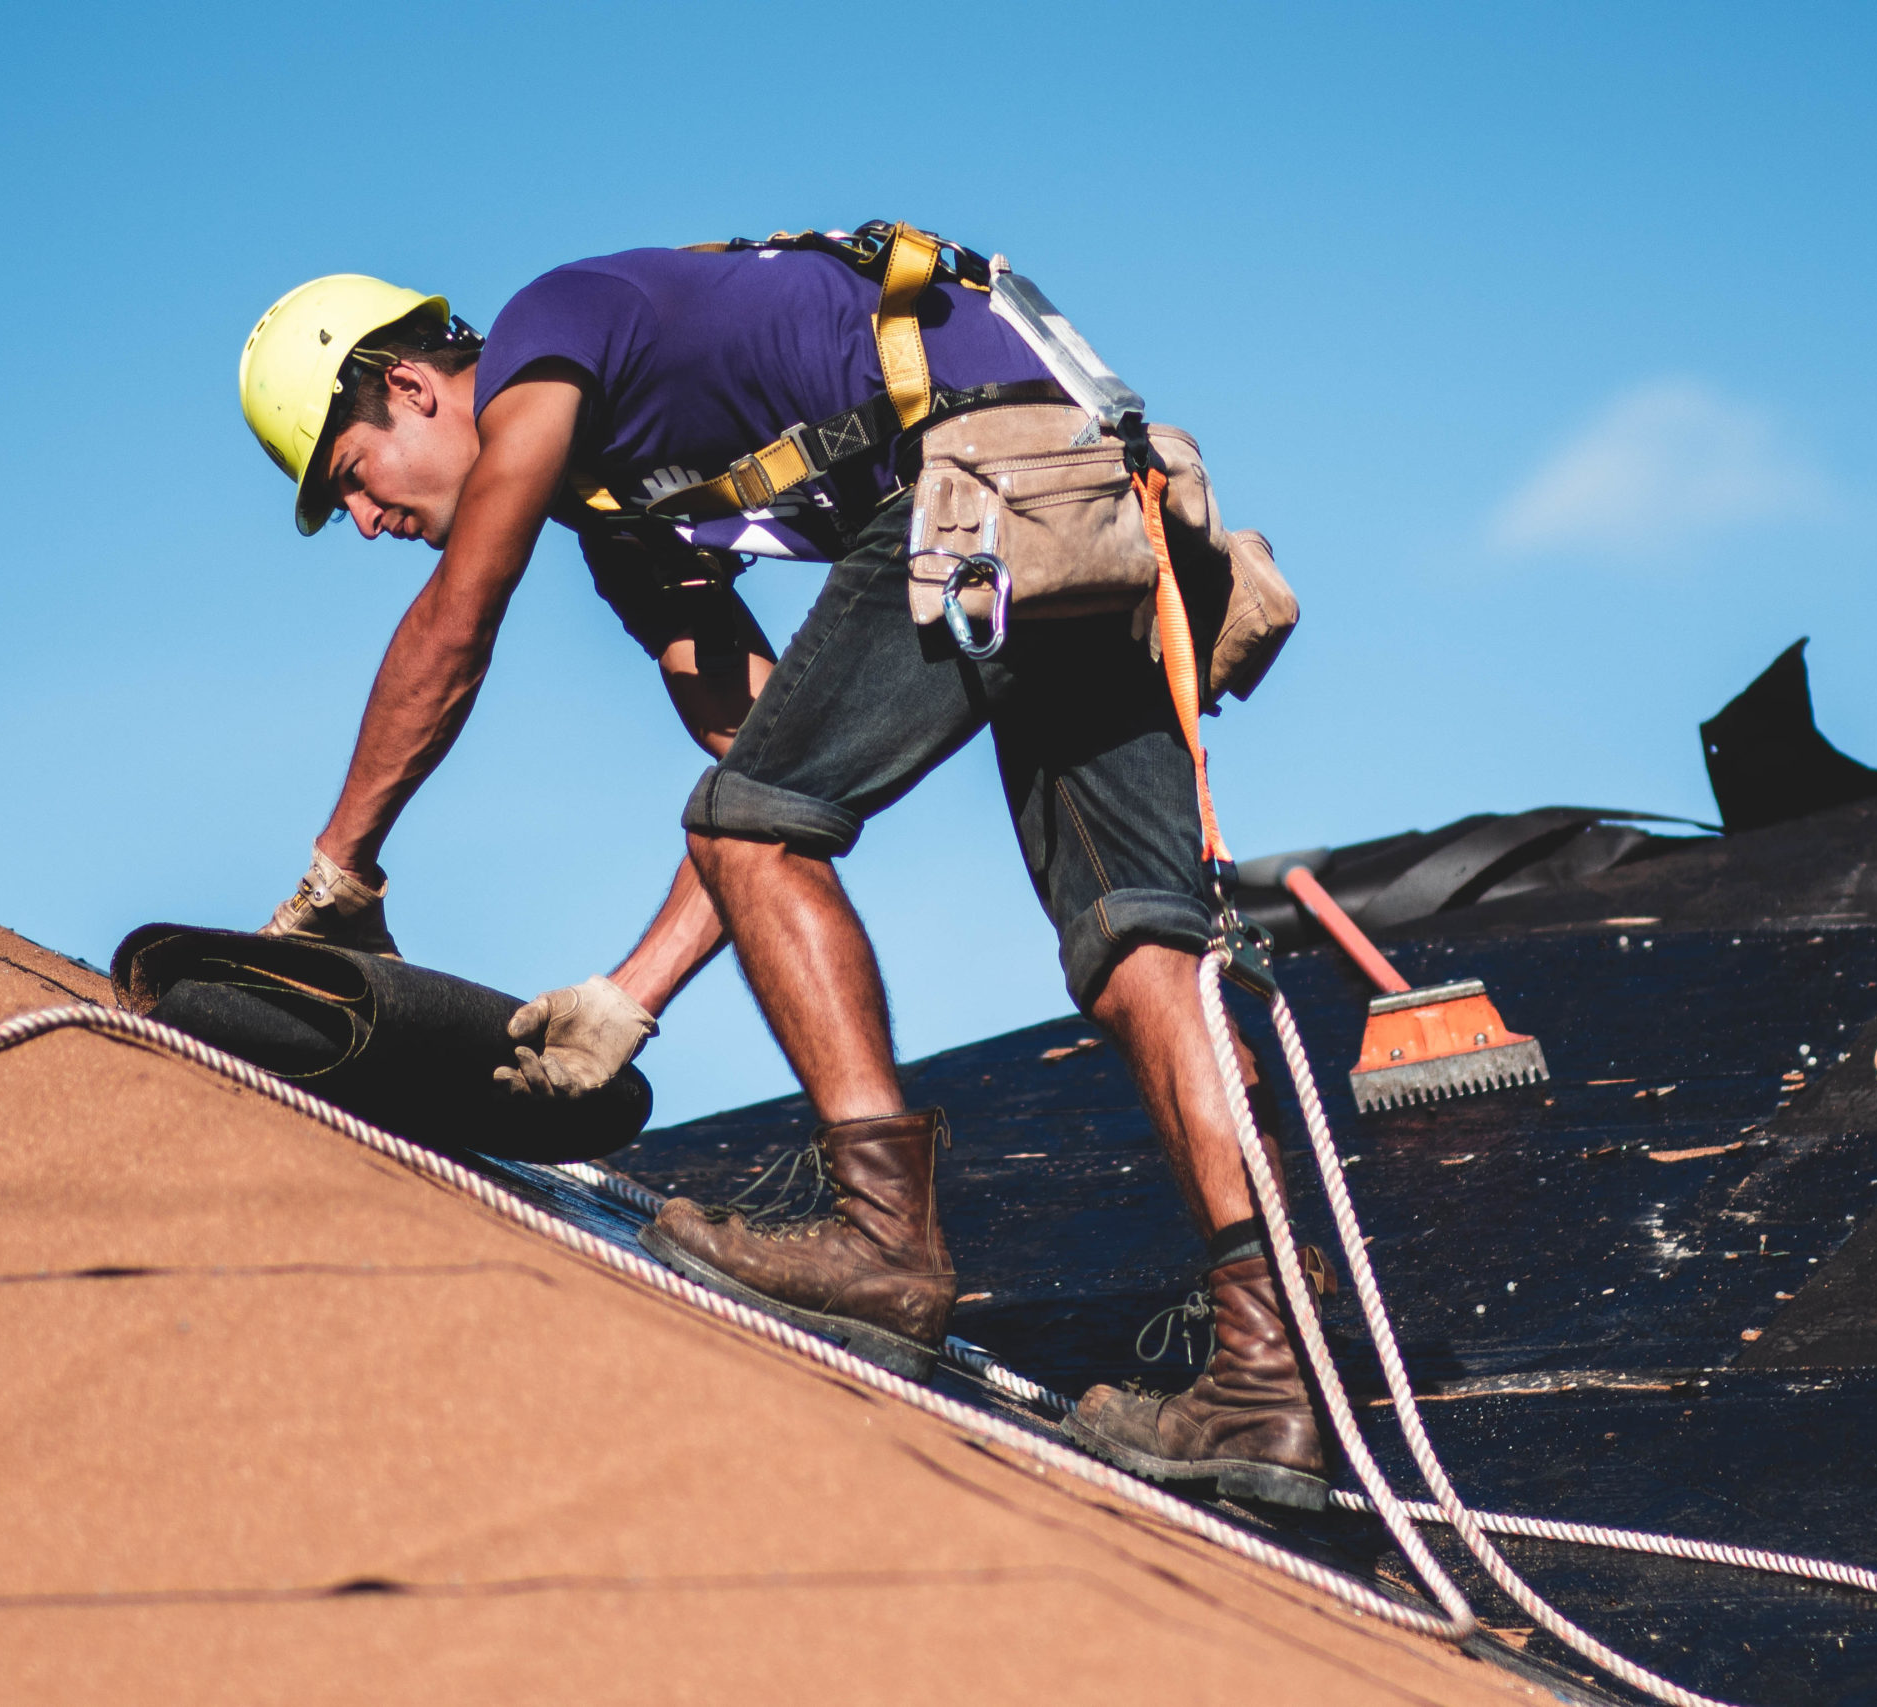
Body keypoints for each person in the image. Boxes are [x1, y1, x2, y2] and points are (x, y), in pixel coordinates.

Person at [234, 232, 1329, 1508]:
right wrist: (629, 1001)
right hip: (1092, 504)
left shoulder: (552, 327)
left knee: (760, 825)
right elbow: (763, 772)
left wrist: (337, 874)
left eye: (350, 474)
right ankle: (1265, 1383)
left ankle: (882, 1245)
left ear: (410, 387)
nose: (366, 522)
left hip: (990, 480)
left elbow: (461, 620)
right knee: (1141, 940)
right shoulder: (629, 526)